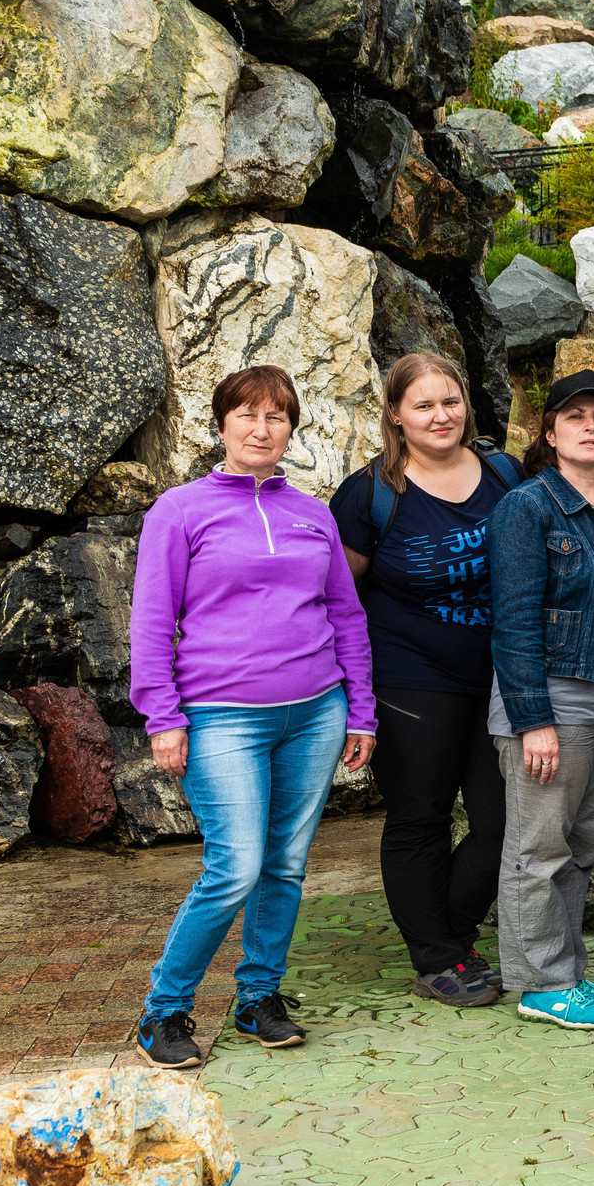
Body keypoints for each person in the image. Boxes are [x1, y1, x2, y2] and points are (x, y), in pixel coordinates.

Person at [130, 365, 375, 1069]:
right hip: (222, 717)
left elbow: (345, 616)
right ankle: (165, 1009)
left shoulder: (314, 513)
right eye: (248, 414)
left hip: (315, 713)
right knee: (234, 865)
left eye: (277, 416)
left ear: (290, 430)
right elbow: (151, 621)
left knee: (287, 863)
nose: (262, 428)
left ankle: (259, 996)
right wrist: (162, 717)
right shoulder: (178, 510)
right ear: (222, 425)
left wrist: (360, 710)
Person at [331, 351, 519, 1009]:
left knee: (505, 823)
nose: (441, 415)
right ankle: (437, 955)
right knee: (421, 817)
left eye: (450, 401)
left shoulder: (502, 473)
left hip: (498, 678)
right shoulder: (371, 494)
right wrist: (349, 694)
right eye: (423, 404)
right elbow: (336, 594)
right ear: (395, 415)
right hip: (411, 678)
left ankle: (447, 928)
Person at [485, 370, 594, 1032]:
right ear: (550, 433)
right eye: (574, 416)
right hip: (553, 712)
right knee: (538, 847)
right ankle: (539, 981)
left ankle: (568, 972)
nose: (590, 425)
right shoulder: (527, 508)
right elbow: (515, 620)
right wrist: (534, 720)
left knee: (584, 845)